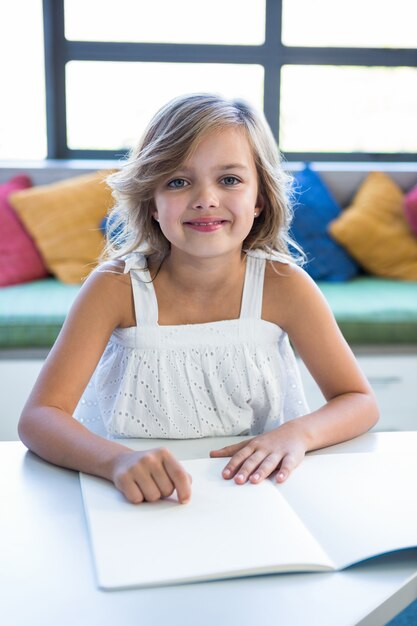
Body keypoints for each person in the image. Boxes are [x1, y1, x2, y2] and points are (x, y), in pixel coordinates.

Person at [18, 93, 379, 505]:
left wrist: (297, 433)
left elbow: (359, 401)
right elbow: (40, 417)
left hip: (248, 491)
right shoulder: (114, 287)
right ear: (151, 202)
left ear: (259, 199)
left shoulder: (285, 285)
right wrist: (116, 462)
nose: (205, 198)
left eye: (229, 179)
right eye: (177, 181)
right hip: (129, 494)